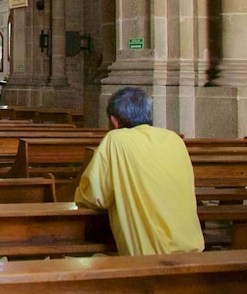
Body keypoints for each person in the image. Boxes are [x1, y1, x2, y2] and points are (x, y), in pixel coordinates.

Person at [73, 86, 204, 256]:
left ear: (114, 121)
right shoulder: (174, 139)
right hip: (192, 251)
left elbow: (94, 197)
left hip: (148, 256)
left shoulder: (116, 140)